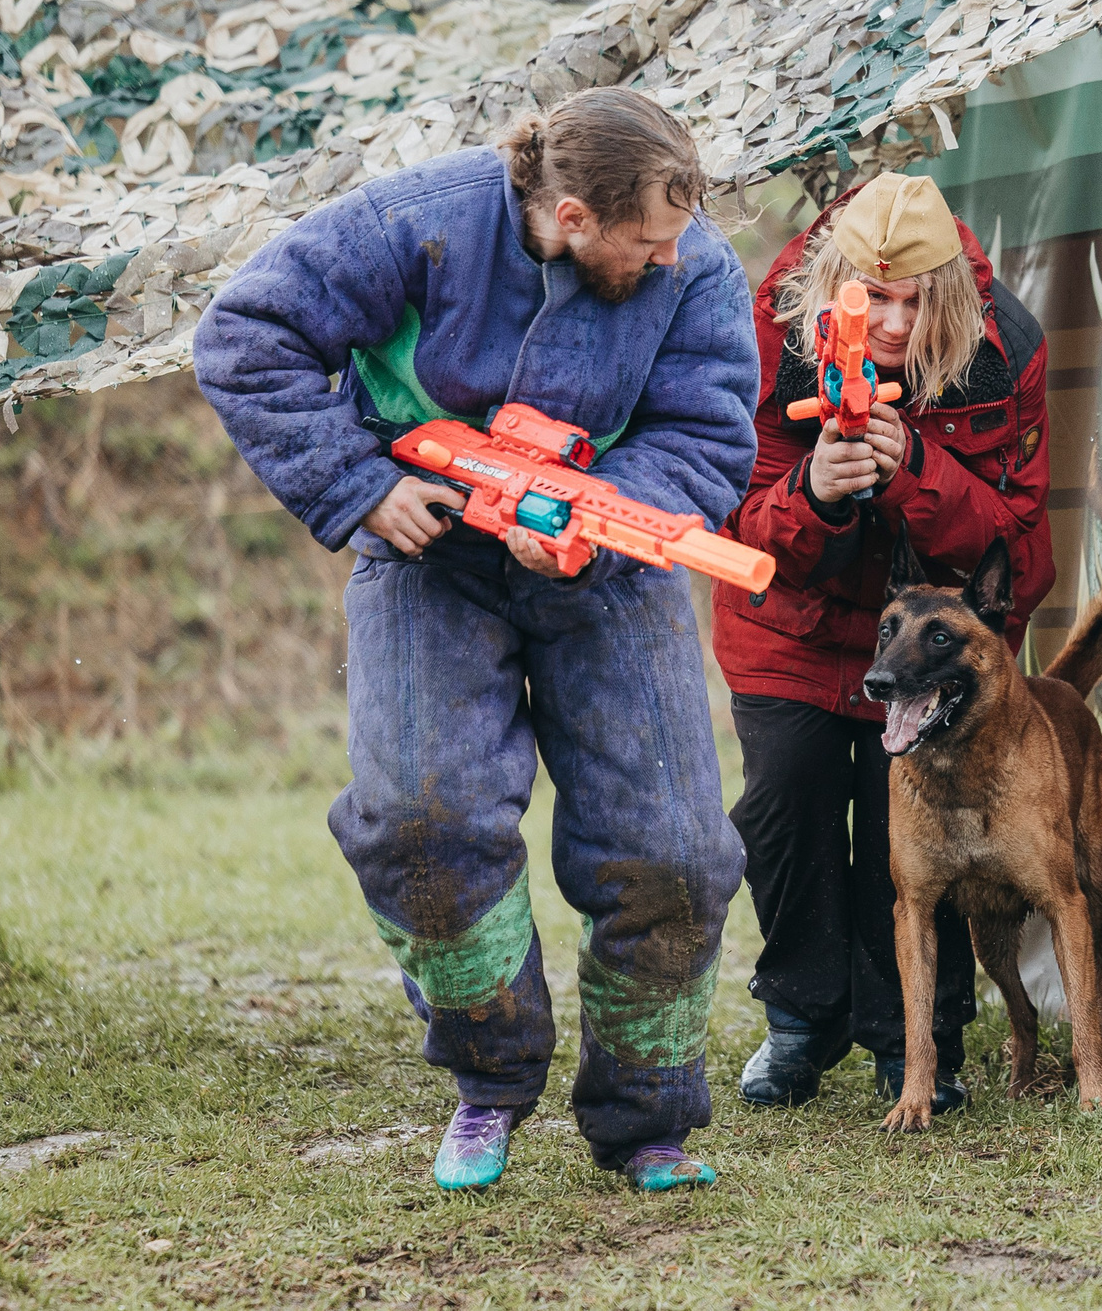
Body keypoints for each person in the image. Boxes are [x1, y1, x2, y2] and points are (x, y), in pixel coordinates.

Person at [193, 88, 756, 1193]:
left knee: (677, 851)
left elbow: (707, 429)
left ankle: (648, 1120)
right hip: (428, 555)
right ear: (575, 219)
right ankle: (489, 1087)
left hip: (612, 565)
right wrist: (359, 485)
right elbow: (246, 333)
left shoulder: (698, 265)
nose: (671, 257)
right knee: (419, 823)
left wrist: (596, 522)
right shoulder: (420, 219)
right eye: (647, 240)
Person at [711, 171, 1052, 1112]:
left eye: (913, 299)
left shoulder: (1004, 347)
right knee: (786, 812)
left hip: (930, 650)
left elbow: (1025, 552)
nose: (894, 322)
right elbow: (737, 527)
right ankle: (800, 1019)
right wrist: (814, 494)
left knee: (909, 834)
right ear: (835, 280)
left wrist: (918, 475)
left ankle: (919, 1042)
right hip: (791, 628)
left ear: (945, 288)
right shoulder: (768, 333)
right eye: (873, 296)